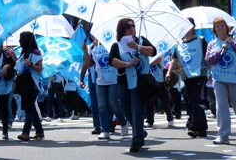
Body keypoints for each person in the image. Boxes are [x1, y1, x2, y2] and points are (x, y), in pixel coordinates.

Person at [108, 18, 157, 152]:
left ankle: (135, 141)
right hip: (124, 82)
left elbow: (153, 51)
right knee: (125, 109)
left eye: (133, 25)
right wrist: (127, 64)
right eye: (128, 26)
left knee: (137, 110)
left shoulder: (141, 40)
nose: (132, 28)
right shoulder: (117, 45)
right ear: (121, 29)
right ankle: (139, 130)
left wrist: (138, 47)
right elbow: (112, 61)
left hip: (140, 82)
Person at [204, 17, 236, 144]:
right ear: (214, 29)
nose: (220, 27)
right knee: (221, 106)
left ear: (227, 27)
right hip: (218, 79)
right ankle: (223, 135)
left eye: (222, 25)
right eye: (217, 26)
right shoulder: (211, 44)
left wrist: (233, 43)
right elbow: (208, 60)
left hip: (235, 78)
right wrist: (221, 51)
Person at [166, 17, 209, 138]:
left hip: (200, 74)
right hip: (186, 76)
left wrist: (212, 73)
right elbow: (174, 59)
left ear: (193, 27)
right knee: (192, 101)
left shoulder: (201, 40)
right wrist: (169, 72)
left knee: (196, 99)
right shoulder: (179, 43)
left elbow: (208, 56)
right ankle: (202, 128)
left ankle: (193, 126)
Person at [80, 37, 129, 140]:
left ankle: (123, 122)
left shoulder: (114, 45)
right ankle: (105, 130)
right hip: (100, 81)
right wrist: (85, 51)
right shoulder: (92, 47)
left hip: (114, 80)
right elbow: (89, 64)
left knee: (114, 104)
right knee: (101, 106)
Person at [16, 31, 45, 141]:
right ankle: (39, 131)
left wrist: (31, 64)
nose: (19, 42)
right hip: (25, 83)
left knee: (28, 107)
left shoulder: (36, 52)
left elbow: (40, 68)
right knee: (30, 106)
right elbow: (19, 66)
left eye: (21, 39)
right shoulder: (24, 52)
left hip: (33, 84)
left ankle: (25, 132)